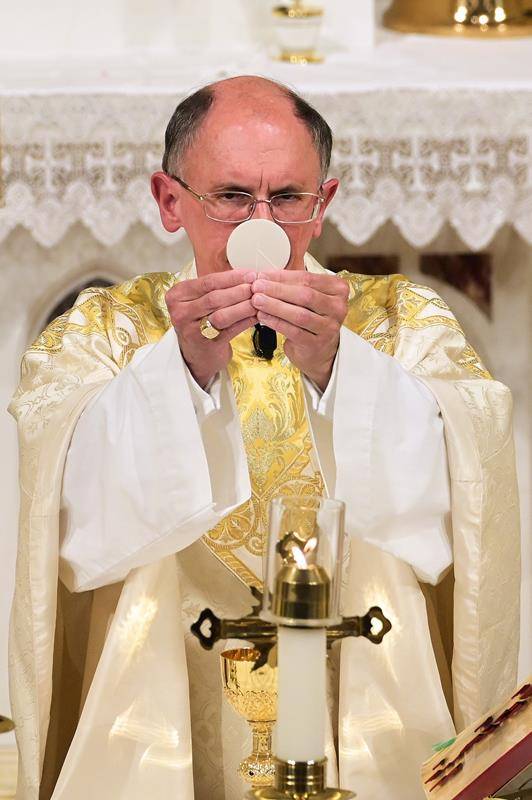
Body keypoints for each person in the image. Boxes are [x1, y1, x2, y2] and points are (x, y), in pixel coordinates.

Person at [8, 76, 520, 800]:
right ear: (169, 200)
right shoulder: (106, 332)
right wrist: (180, 372)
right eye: (230, 197)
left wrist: (341, 369)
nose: (263, 225)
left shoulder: (401, 323)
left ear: (324, 203)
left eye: (286, 197)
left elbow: (461, 505)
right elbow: (71, 536)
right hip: (158, 716)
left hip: (366, 699)